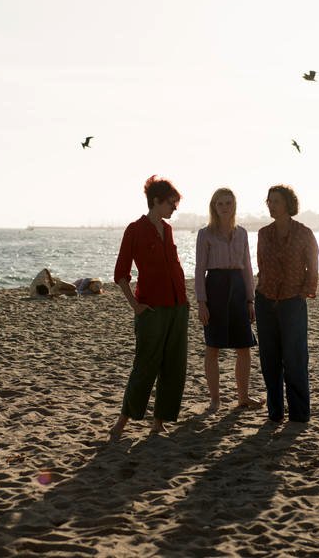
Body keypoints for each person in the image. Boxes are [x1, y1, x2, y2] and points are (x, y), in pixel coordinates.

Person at [109, 176, 189, 440]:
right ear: (156, 201)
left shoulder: (168, 230)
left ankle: (158, 421)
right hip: (151, 309)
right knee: (145, 365)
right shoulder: (134, 230)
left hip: (178, 306)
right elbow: (121, 273)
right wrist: (135, 305)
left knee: (174, 366)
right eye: (171, 203)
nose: (174, 208)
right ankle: (123, 420)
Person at [254, 184, 319, 425]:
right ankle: (275, 412)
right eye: (269, 201)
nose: (271, 205)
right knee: (269, 359)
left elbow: (313, 265)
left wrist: (305, 292)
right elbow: (261, 265)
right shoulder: (263, 233)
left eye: (276, 201)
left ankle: (299, 414)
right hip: (266, 300)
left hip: (293, 301)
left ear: (288, 204)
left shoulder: (304, 233)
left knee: (295, 359)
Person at [195, 188, 264, 412]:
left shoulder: (242, 233)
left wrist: (250, 300)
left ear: (234, 205)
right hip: (214, 287)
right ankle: (215, 399)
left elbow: (248, 267)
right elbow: (199, 270)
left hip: (238, 289)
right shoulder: (205, 234)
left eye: (228, 203)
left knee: (244, 346)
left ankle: (243, 397)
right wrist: (201, 302)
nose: (225, 207)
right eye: (220, 204)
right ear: (214, 207)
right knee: (212, 346)